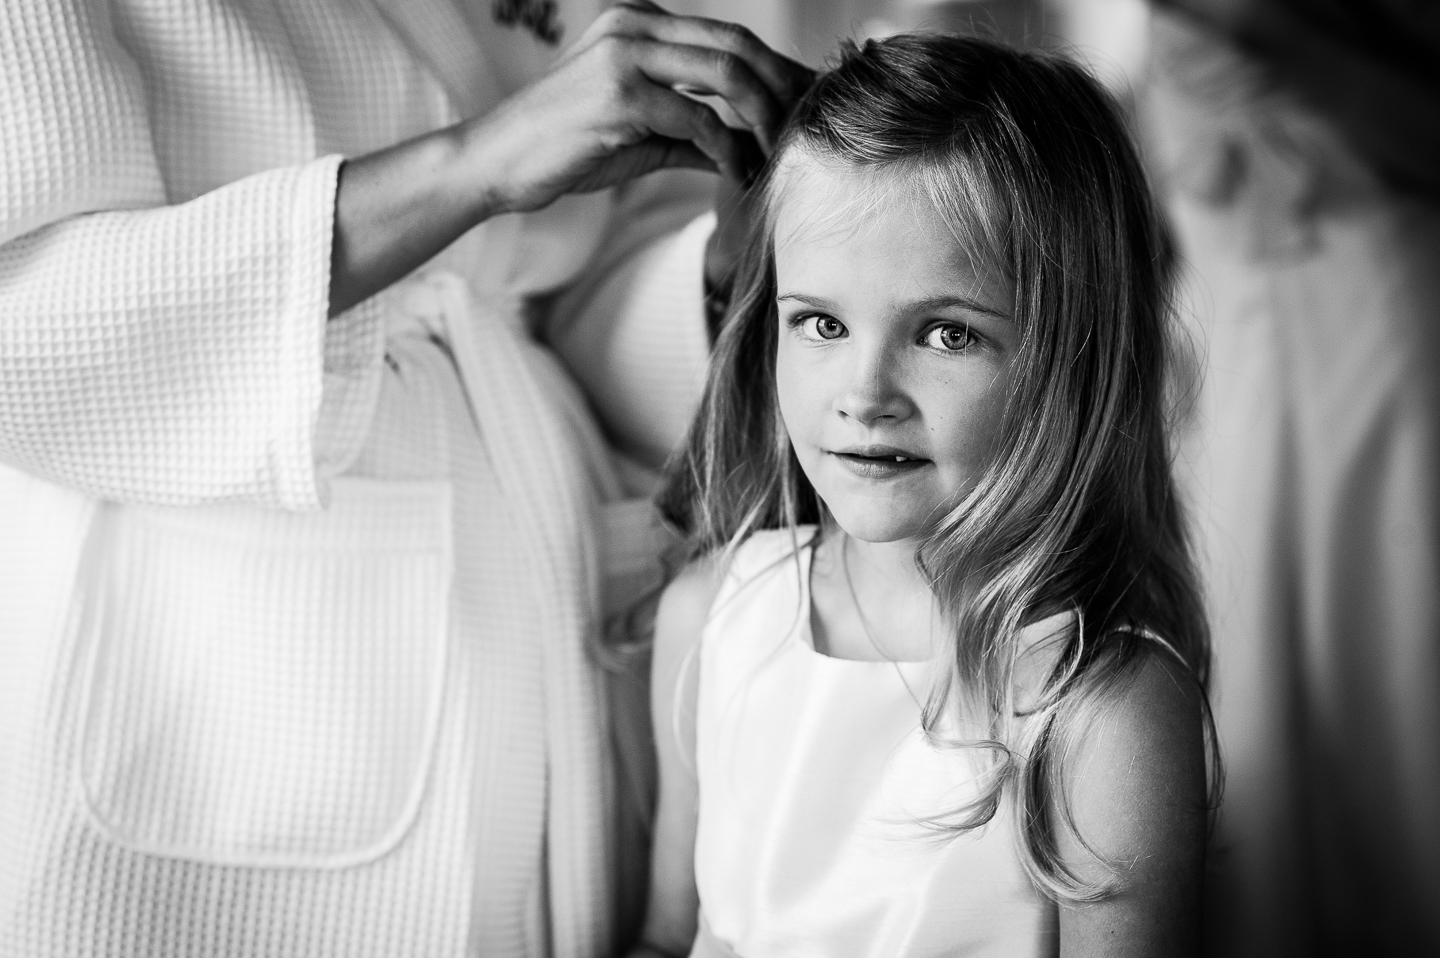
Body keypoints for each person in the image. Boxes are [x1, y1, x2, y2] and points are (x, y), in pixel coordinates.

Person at [0, 2, 809, 956]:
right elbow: (24, 329)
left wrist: (733, 264)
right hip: (223, 670)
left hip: (551, 626)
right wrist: (474, 164)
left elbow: (554, 300)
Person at [633, 33, 1217, 958]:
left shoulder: (1100, 713)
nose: (864, 394)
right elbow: (670, 939)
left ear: (1073, 359)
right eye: (820, 322)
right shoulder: (709, 619)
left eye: (947, 334)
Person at [1141, 4, 1440, 954]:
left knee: (1387, 637)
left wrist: (1282, 40)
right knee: (1249, 629)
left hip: (1367, 300)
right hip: (1225, 308)